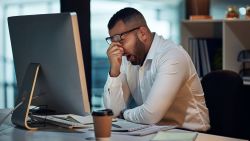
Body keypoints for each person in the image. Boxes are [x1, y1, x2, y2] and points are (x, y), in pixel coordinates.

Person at [103, 7, 210, 131]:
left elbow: (150, 114)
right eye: (114, 43)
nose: (119, 49)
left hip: (191, 133)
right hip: (155, 132)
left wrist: (124, 114)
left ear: (142, 33)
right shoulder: (129, 58)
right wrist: (114, 71)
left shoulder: (172, 56)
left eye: (121, 40)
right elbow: (113, 111)